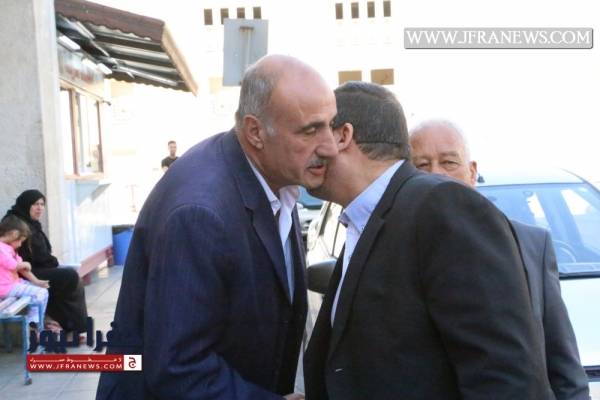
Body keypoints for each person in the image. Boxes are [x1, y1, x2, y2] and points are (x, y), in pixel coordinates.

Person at [96, 54, 338, 400]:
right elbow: (179, 369)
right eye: (310, 130)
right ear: (255, 132)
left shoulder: (273, 177)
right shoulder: (200, 214)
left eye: (331, 124)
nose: (330, 146)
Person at [303, 82, 553, 399]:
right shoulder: (365, 218)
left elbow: (504, 375)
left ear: (342, 136)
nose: (302, 149)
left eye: (310, 133)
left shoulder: (443, 206)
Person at [409, 119, 590, 400]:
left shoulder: (532, 244)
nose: (436, 174)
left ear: (472, 172)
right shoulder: (395, 249)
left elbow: (563, 364)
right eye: (422, 165)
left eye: (449, 162)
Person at [3, 190, 88, 334]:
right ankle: (67, 326)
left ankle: (68, 326)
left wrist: (54, 263)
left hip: (32, 269)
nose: (40, 208)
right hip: (22, 272)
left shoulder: (32, 223)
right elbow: (26, 257)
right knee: (70, 277)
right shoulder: (15, 224)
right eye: (35, 204)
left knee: (70, 278)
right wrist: (53, 263)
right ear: (26, 204)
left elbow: (41, 254)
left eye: (42, 204)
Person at [0, 215, 49, 329]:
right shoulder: (1, 249)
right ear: (14, 234)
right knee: (41, 293)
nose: (20, 244)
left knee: (41, 291)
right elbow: (13, 266)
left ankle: (34, 322)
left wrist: (37, 281)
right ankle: (32, 324)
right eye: (20, 241)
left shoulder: (9, 248)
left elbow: (22, 269)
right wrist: (26, 264)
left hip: (13, 284)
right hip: (5, 287)